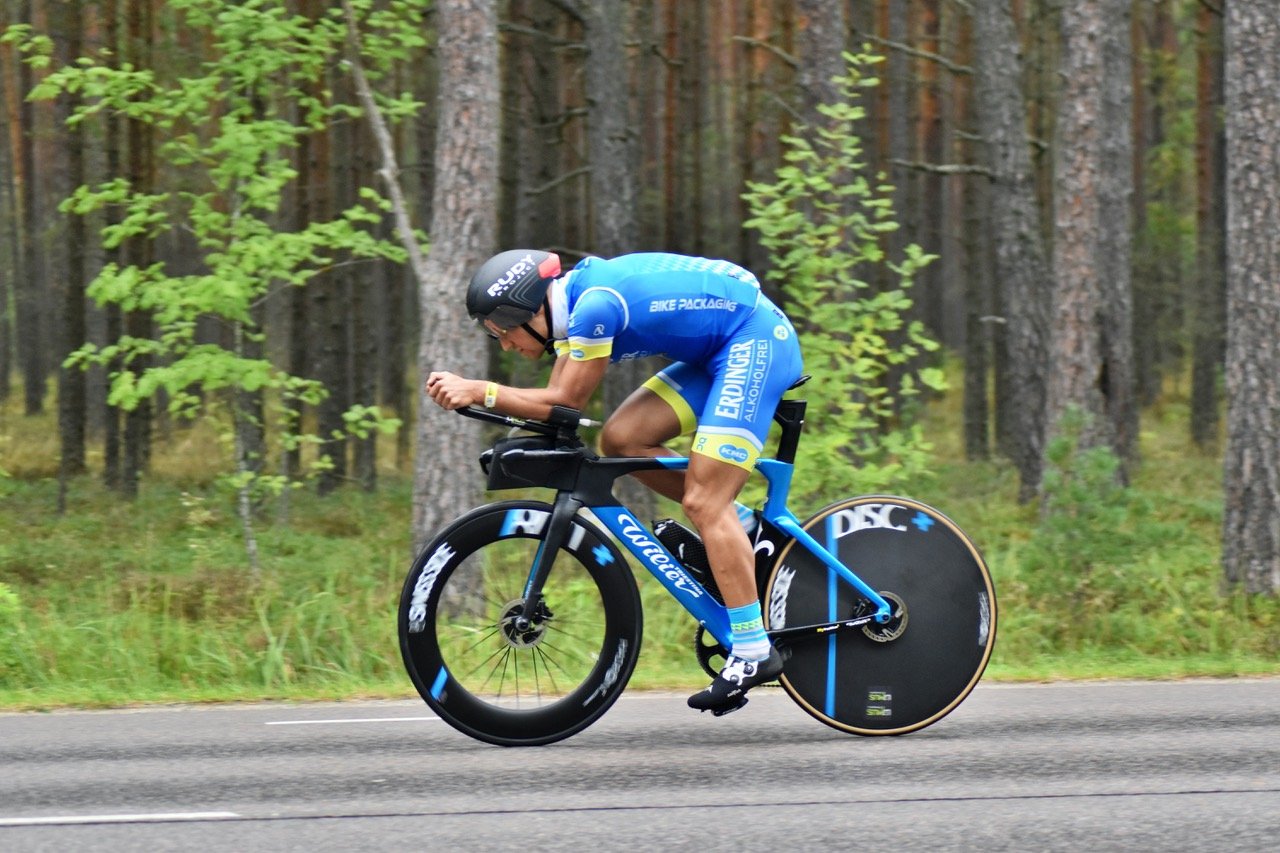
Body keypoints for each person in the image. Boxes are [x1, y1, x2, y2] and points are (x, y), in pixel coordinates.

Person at [425, 249, 803, 714]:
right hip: (717, 350)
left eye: (502, 332)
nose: (504, 346)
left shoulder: (594, 307)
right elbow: (557, 409)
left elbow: (565, 401)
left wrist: (480, 390)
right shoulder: (571, 313)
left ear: (525, 311)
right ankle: (745, 530)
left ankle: (751, 649)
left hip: (755, 341)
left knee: (706, 502)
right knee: (622, 440)